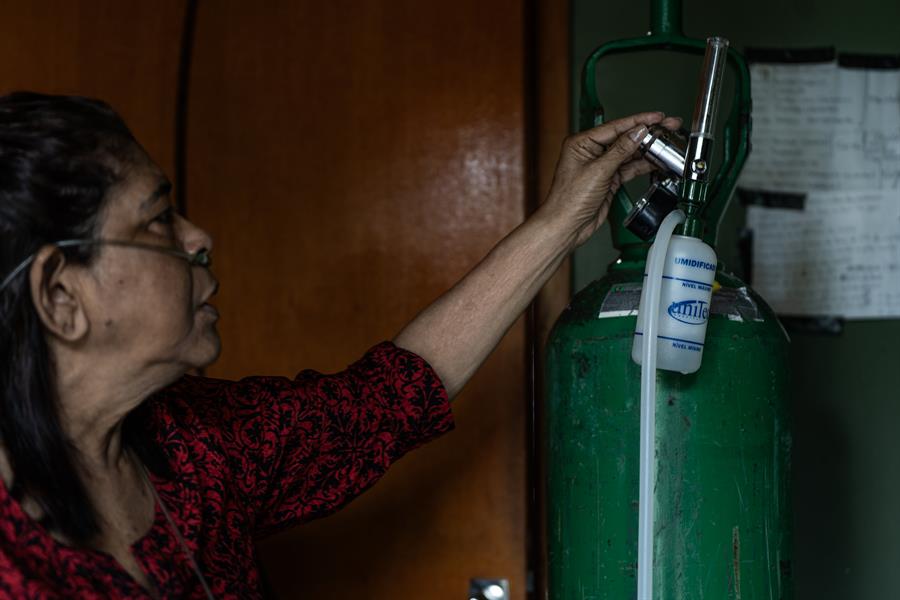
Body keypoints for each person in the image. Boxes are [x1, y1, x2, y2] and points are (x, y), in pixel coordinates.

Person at [0, 92, 679, 598]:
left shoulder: (196, 449)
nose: (197, 238)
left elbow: (389, 398)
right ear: (61, 296)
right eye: (156, 222)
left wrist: (563, 222)